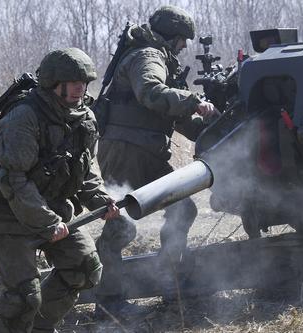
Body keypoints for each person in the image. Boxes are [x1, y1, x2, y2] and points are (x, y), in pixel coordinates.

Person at [0, 48, 119, 333]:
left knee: (84, 268)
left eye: (85, 82)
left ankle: (39, 329)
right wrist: (48, 222)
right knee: (23, 298)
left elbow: (87, 168)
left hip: (54, 210)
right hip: (7, 216)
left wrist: (100, 199)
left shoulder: (85, 117)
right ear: (54, 82)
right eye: (73, 81)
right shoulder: (23, 117)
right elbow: (13, 181)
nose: (81, 88)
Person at [95, 5, 218, 313]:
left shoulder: (156, 57)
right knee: (121, 223)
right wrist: (195, 102)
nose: (185, 47)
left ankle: (169, 281)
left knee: (182, 209)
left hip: (138, 149)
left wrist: (211, 127)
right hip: (127, 151)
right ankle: (110, 300)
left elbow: (168, 112)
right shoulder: (148, 56)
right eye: (182, 40)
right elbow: (151, 93)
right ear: (173, 37)